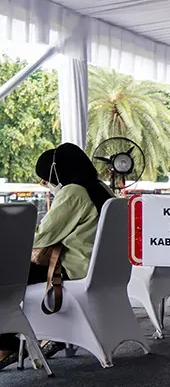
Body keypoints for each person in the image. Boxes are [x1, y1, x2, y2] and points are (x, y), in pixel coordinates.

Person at [0, 143, 113, 370]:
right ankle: (19, 339)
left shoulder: (73, 192)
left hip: (73, 270)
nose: (46, 184)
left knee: (6, 277)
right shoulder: (102, 189)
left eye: (46, 178)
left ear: (57, 172)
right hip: (100, 271)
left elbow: (41, 237)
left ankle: (7, 344)